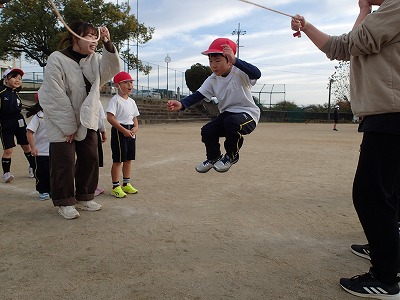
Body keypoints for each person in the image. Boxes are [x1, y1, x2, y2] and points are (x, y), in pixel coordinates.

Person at [291, 0, 400, 298]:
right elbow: (345, 48)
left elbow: (351, 44)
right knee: (388, 192)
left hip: (391, 115)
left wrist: (364, 10)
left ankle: (387, 277)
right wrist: (312, 25)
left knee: (371, 195)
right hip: (387, 113)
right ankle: (386, 248)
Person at [38, 20, 120, 219]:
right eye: (90, 36)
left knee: (90, 158)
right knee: (63, 160)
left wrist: (107, 44)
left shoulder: (95, 58)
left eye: (95, 36)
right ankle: (64, 201)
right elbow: (54, 94)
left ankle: (85, 196)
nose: (94, 40)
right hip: (61, 120)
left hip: (87, 118)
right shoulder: (56, 59)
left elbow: (111, 70)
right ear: (76, 37)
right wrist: (68, 126)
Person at [167, 38, 261, 173]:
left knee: (232, 122)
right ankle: (214, 158)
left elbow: (257, 73)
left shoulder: (240, 72)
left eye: (218, 61)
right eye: (210, 61)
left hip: (248, 115)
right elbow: (198, 95)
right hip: (227, 115)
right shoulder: (212, 79)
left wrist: (236, 61)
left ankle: (231, 156)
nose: (213, 65)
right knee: (207, 130)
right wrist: (181, 104)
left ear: (229, 61)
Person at [106, 71, 139, 198]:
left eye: (131, 82)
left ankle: (126, 184)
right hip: (120, 131)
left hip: (130, 131)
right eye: (126, 82)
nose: (130, 85)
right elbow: (110, 117)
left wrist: (135, 127)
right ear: (118, 85)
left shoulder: (132, 101)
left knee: (128, 159)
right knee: (118, 160)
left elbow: (135, 117)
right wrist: (123, 130)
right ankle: (115, 186)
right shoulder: (115, 100)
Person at [0, 68, 35, 183]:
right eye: (14, 77)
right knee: (8, 150)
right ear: (5, 79)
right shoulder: (1, 92)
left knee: (26, 146)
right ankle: (6, 173)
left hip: (19, 122)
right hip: (5, 124)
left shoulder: (16, 93)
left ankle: (33, 167)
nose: (17, 80)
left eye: (20, 78)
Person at [26, 93, 51, 200]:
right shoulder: (39, 116)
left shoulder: (56, 115)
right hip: (40, 151)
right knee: (42, 172)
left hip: (54, 151)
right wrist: (33, 147)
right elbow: (29, 132)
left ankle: (52, 189)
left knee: (53, 172)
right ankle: (43, 191)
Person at [95, 104, 106, 197]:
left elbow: (100, 118)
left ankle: (94, 185)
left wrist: (103, 131)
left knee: (96, 159)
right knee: (89, 160)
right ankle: (89, 186)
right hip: (88, 130)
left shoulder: (97, 99)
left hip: (96, 131)